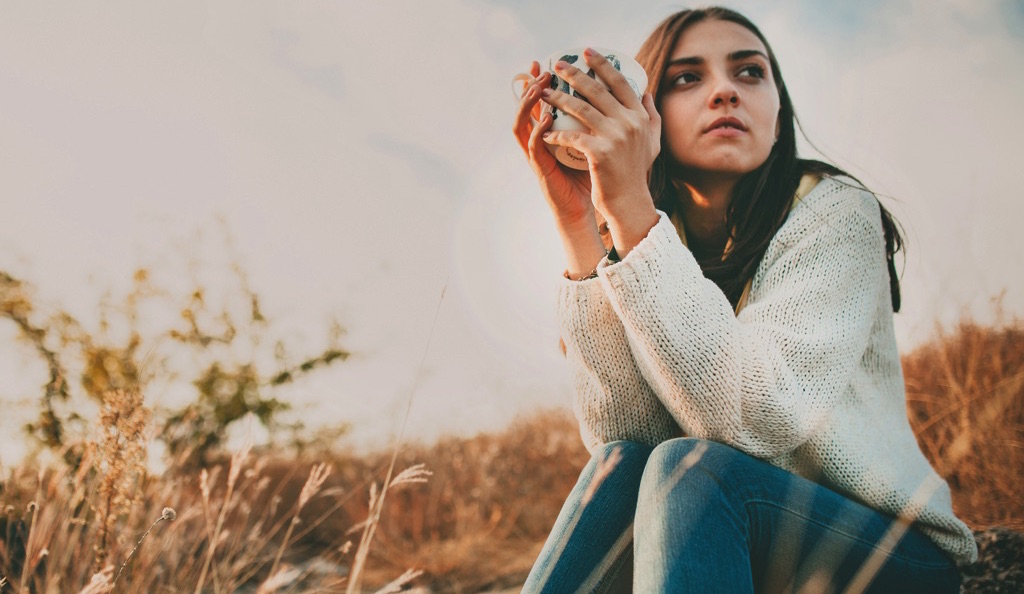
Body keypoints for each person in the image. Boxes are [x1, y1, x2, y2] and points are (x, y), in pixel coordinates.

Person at [511, 6, 978, 593]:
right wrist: (581, 224)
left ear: (779, 115)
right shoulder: (650, 243)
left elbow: (748, 423)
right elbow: (629, 439)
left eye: (750, 72)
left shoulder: (835, 212)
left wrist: (629, 206)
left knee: (692, 470)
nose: (725, 91)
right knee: (623, 467)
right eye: (687, 78)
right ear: (648, 113)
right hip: (730, 539)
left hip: (888, 554)